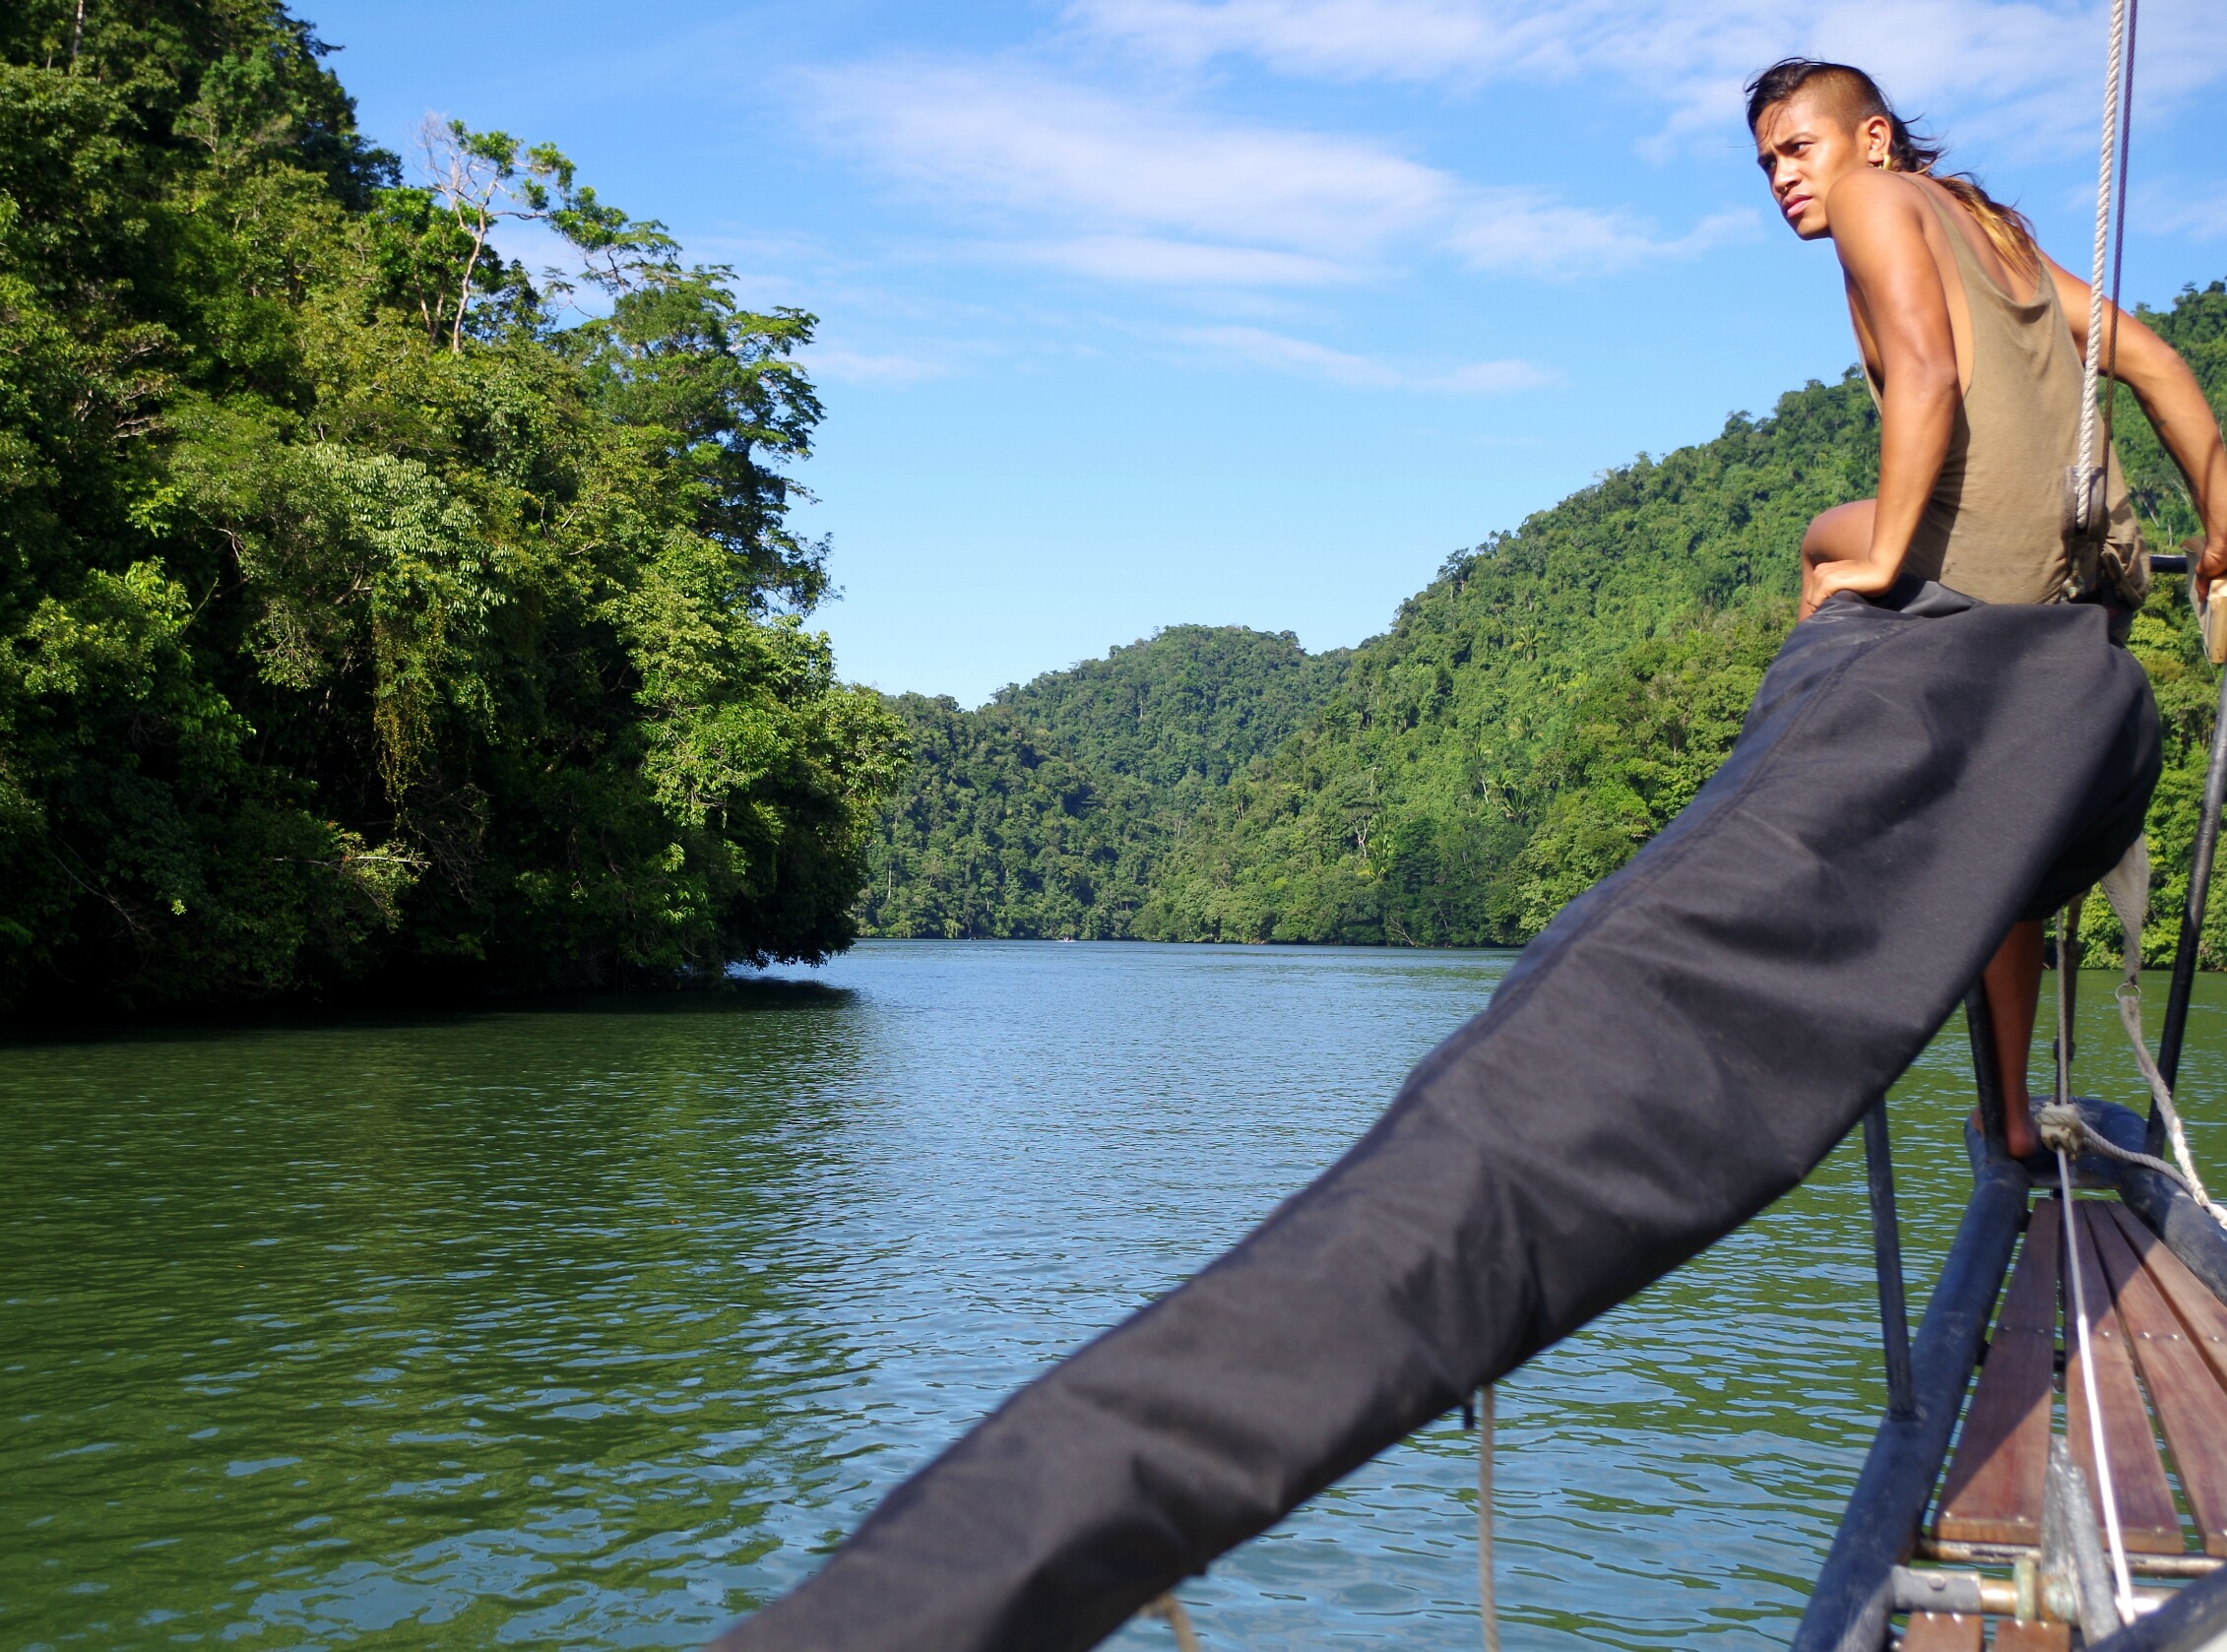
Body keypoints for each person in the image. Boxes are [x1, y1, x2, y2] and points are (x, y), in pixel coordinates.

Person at [1748, 58, 2227, 1158]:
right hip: (2090, 582)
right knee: (2005, 843)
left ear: (1872, 139)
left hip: (1986, 567)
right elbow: (2156, 363)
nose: (1782, 177)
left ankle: (1832, 742)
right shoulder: (1992, 232)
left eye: (1799, 148)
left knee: (1823, 543)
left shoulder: (1876, 201)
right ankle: (2010, 1115)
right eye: (1767, 163)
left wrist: (1877, 566)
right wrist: (2220, 530)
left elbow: (1924, 372)